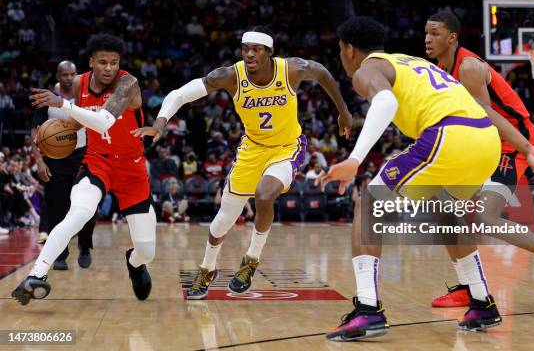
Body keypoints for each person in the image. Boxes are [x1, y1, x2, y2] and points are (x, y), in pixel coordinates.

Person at [318, 17, 534, 340]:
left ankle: (367, 310)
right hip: (485, 141)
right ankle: (481, 301)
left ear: (349, 50)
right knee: (447, 210)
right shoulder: (413, 62)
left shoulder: (367, 70)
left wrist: (354, 159)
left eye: (340, 50)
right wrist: (526, 147)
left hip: (450, 134)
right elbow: (477, 108)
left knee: (369, 205)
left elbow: (386, 102)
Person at [133, 26, 352, 299]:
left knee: (264, 194)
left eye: (256, 49)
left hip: (287, 148)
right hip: (251, 150)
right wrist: (160, 122)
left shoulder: (292, 70)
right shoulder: (230, 76)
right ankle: (207, 268)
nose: (249, 54)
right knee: (222, 222)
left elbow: (322, 72)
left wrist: (343, 111)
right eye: (245, 48)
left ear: (270, 53)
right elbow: (179, 94)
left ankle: (251, 260)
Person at [425, 11, 534, 307]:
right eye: (426, 33)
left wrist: (527, 150)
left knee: (486, 218)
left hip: (509, 142)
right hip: (486, 140)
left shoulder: (468, 67)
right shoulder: (441, 67)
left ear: (452, 37)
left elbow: (486, 118)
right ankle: (468, 286)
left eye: (435, 33)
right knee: (442, 207)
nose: (427, 39)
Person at [12, 34, 156, 305]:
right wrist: (58, 132)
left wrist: (61, 104)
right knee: (77, 214)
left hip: (132, 168)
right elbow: (83, 118)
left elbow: (102, 122)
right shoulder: (80, 82)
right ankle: (36, 275)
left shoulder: (128, 83)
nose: (109, 68)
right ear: (91, 63)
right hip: (97, 161)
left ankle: (135, 263)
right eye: (102, 62)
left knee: (147, 250)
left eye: (114, 62)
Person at [31, 61, 97, 269]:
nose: (69, 78)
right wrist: (39, 161)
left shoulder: (86, 95)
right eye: (65, 74)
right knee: (57, 207)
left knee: (87, 204)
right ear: (58, 77)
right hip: (55, 157)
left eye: (72, 74)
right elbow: (35, 131)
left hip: (83, 155)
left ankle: (85, 245)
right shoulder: (47, 98)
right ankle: (60, 253)